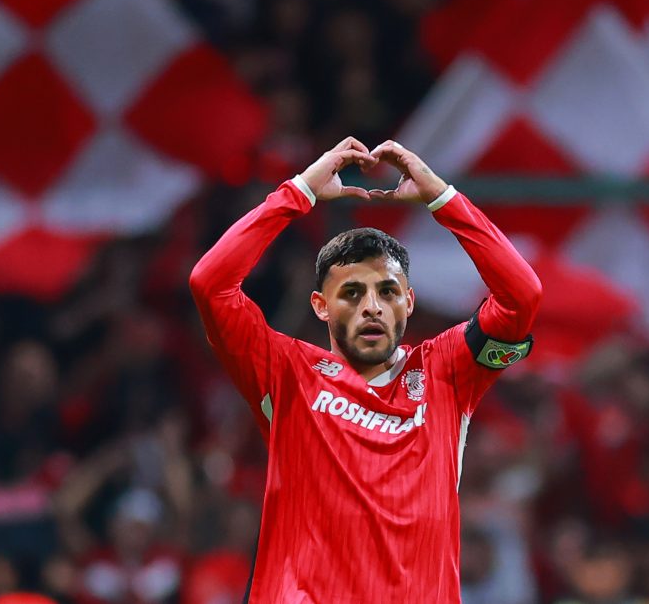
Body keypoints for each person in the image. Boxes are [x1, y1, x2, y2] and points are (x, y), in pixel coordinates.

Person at [189, 137, 542, 601]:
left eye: (387, 291)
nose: (372, 306)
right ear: (321, 306)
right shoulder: (287, 371)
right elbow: (210, 283)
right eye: (352, 293)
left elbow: (522, 297)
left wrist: (442, 197)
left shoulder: (445, 371)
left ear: (408, 302)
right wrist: (299, 192)